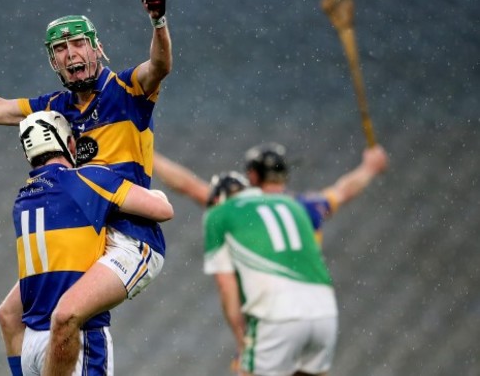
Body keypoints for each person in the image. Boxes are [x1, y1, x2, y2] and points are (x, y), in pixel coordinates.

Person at [0, 0, 172, 376]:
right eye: (60, 49)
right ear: (53, 61)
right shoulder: (55, 107)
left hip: (129, 238)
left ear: (97, 48)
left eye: (78, 44)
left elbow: (159, 66)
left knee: (67, 315)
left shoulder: (127, 89)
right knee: (8, 316)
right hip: (84, 242)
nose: (71, 54)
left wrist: (158, 22)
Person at [153, 143, 388, 375]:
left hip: (273, 316)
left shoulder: (232, 206)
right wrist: (369, 167)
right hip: (323, 311)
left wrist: (148, 155)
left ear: (252, 176)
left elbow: (190, 186)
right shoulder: (303, 206)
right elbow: (343, 190)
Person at [14, 111, 173, 375]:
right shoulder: (88, 179)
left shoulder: (23, 198)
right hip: (73, 340)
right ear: (70, 143)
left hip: (31, 345)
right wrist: (156, 194)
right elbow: (163, 211)